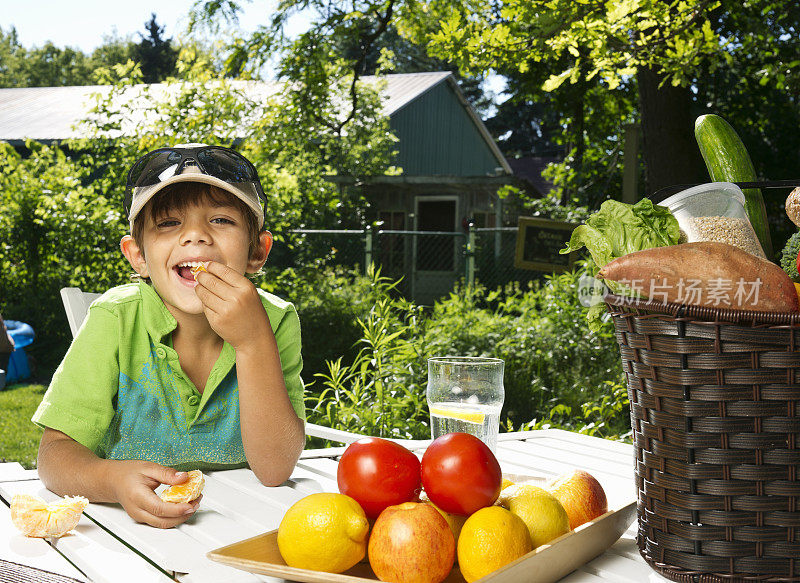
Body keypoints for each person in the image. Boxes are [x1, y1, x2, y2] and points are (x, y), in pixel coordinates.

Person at [33, 144, 306, 528]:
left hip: (245, 523)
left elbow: (275, 470)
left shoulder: (275, 322)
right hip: (126, 532)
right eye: (168, 223)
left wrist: (252, 342)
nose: (195, 237)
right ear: (138, 255)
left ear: (257, 252)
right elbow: (54, 456)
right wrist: (111, 480)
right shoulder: (116, 318)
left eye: (221, 220)